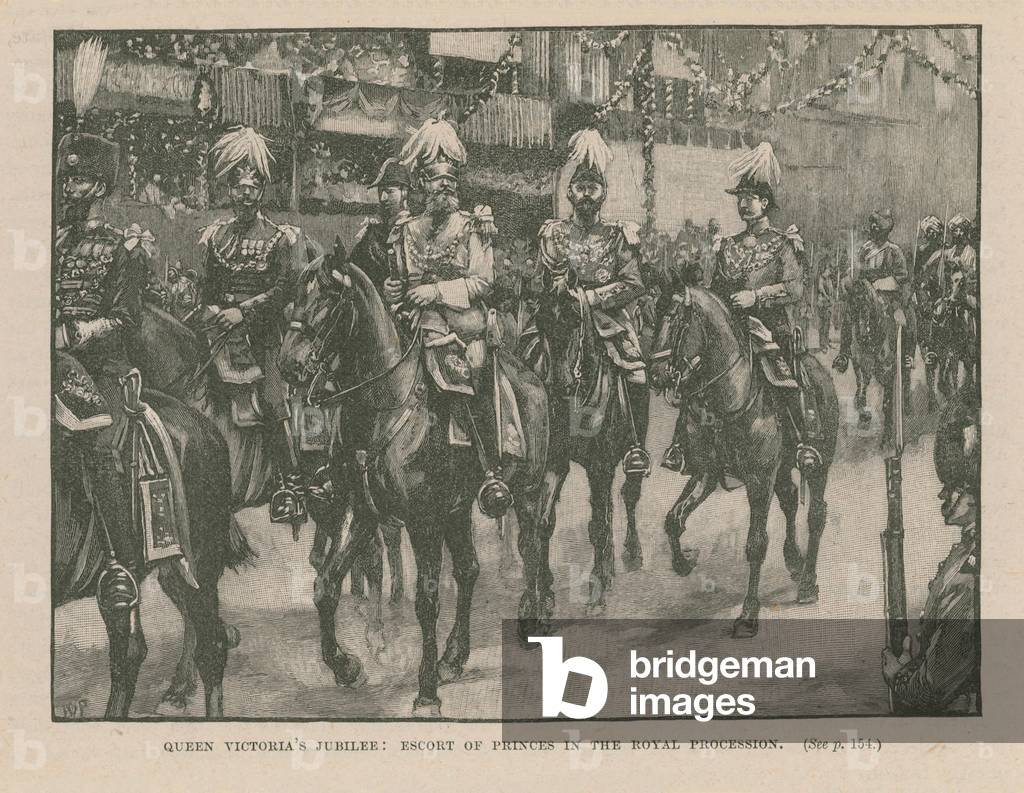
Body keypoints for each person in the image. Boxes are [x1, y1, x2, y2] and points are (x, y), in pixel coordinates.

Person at [383, 116, 518, 516]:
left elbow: (482, 283)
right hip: (415, 328)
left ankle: (489, 468)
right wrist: (397, 295)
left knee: (462, 375)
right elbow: (405, 284)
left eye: (450, 182)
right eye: (434, 181)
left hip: (463, 328)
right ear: (421, 185)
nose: (444, 188)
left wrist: (437, 291)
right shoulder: (407, 231)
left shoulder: (473, 226)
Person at [54, 131, 156, 609]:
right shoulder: (54, 242)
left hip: (103, 370)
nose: (66, 187)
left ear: (97, 186)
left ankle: (123, 562)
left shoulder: (125, 245)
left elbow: (127, 319)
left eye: (76, 179)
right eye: (65, 177)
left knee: (98, 449)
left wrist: (78, 332)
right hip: (54, 364)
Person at [197, 127, 307, 520]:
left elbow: (283, 290)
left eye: (252, 186)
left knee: (274, 399)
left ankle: (291, 484)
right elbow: (206, 288)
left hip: (262, 334)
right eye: (238, 186)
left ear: (261, 192)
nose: (245, 193)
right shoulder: (214, 237)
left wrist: (243, 312)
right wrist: (210, 311)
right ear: (229, 189)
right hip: (219, 332)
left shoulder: (281, 238)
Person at [532, 127, 650, 473]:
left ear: (603, 193)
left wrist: (592, 297)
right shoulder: (553, 233)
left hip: (608, 321)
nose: (586, 195)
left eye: (592, 188)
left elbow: (633, 282)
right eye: (580, 188)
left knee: (637, 372)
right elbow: (543, 277)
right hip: (561, 317)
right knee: (527, 360)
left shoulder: (618, 236)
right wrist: (555, 287)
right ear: (569, 193)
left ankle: (633, 446)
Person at [709, 142, 821, 472]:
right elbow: (716, 288)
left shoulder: (781, 243)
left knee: (786, 377)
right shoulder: (728, 245)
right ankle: (686, 445)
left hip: (771, 328)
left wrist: (757, 297)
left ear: (765, 203)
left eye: (750, 199)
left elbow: (795, 288)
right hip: (732, 328)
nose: (743, 205)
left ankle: (803, 441)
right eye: (740, 199)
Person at [882, 386, 979, 713]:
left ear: (976, 496)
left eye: (954, 488)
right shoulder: (966, 550)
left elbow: (934, 684)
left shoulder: (971, 575)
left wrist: (899, 677)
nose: (942, 497)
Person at [834, 210, 913, 373]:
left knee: (906, 318)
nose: (873, 229)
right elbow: (854, 271)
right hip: (864, 293)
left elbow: (901, 276)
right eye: (872, 225)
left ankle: (907, 355)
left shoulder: (894, 251)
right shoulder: (864, 249)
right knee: (849, 314)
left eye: (877, 226)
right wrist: (851, 275)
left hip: (888, 295)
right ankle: (844, 354)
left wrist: (880, 284)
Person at [348, 158, 412, 293]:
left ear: (404, 193)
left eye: (389, 191)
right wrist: (381, 288)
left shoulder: (416, 229)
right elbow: (354, 270)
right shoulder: (373, 233)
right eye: (381, 191)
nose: (382, 198)